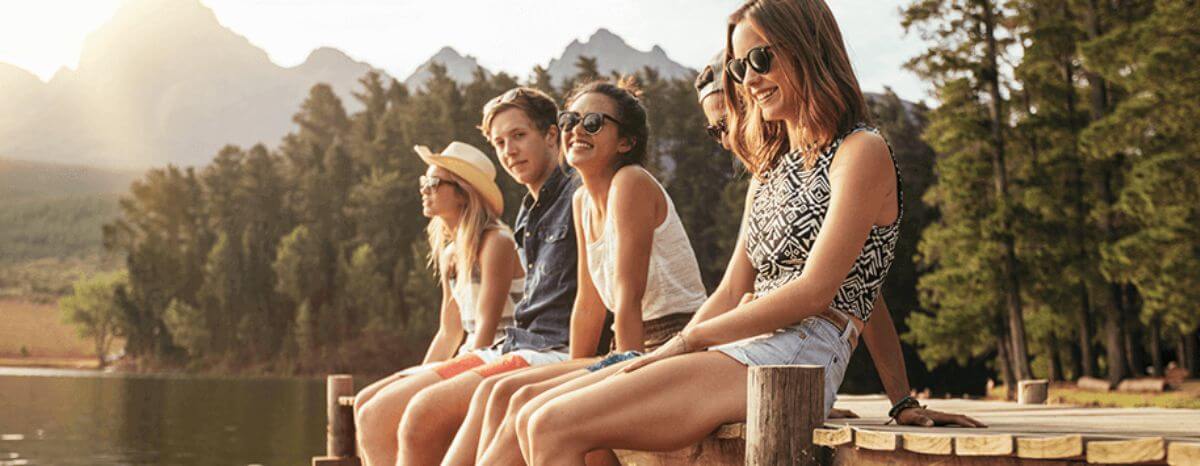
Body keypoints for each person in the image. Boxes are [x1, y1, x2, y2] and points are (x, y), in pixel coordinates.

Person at [521, 2, 984, 464]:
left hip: (801, 353)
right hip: (743, 345)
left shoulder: (860, 151)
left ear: (809, 48)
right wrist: (673, 346)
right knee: (534, 413)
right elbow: (731, 290)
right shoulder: (769, 170)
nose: (749, 80)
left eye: (761, 59)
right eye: (740, 67)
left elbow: (816, 292)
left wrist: (688, 341)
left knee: (551, 424)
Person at [450, 79, 705, 466]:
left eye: (593, 122)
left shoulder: (630, 182)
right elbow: (587, 306)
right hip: (632, 349)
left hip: (671, 349)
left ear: (626, 142)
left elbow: (628, 297)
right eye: (570, 120)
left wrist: (597, 383)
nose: (576, 130)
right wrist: (573, 371)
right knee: (504, 393)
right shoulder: (582, 200)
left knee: (534, 406)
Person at [380, 88, 616, 466]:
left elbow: (593, 302)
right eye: (500, 142)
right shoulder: (527, 214)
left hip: (552, 352)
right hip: (518, 347)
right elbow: (453, 328)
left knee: (422, 413)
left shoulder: (578, 194)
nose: (509, 151)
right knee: (400, 409)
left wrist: (578, 378)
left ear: (552, 136)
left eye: (519, 136)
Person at [353, 141, 525, 466]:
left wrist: (435, 386)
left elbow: (487, 335)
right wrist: (420, 375)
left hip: (500, 354)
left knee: (378, 412)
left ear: (463, 193)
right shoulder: (450, 254)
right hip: (471, 354)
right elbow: (449, 332)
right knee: (365, 404)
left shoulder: (496, 243)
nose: (424, 190)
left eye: (433, 183)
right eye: (423, 183)